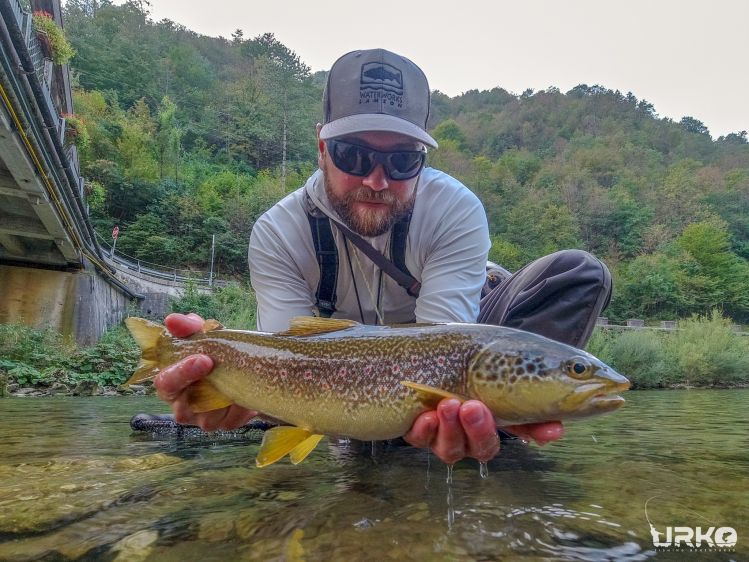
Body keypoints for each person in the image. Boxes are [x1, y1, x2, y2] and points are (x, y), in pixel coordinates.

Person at [154, 49, 611, 466]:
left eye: (401, 162)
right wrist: (230, 382)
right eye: (353, 154)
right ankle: (386, 430)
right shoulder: (278, 231)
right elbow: (289, 360)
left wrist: (419, 399)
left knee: (579, 274)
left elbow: (442, 342)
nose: (376, 180)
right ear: (321, 148)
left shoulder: (456, 209)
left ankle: (493, 418)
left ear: (423, 161)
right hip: (333, 364)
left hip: (444, 348)